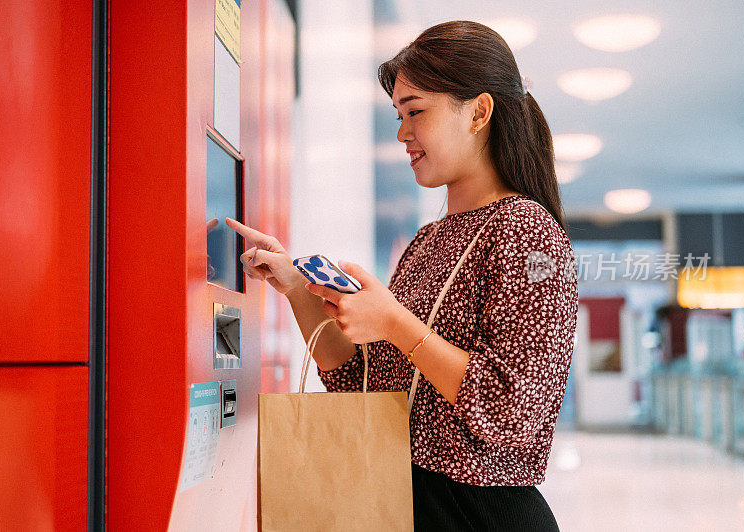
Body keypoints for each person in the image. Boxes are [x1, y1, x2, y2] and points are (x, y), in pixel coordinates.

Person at [225, 20, 578, 531]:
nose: (401, 133)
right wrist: (296, 289)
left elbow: (513, 409)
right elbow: (358, 385)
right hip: (401, 497)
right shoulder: (429, 240)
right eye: (398, 114)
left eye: (416, 111)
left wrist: (394, 324)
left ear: (479, 112)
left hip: (478, 512)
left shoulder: (528, 232)